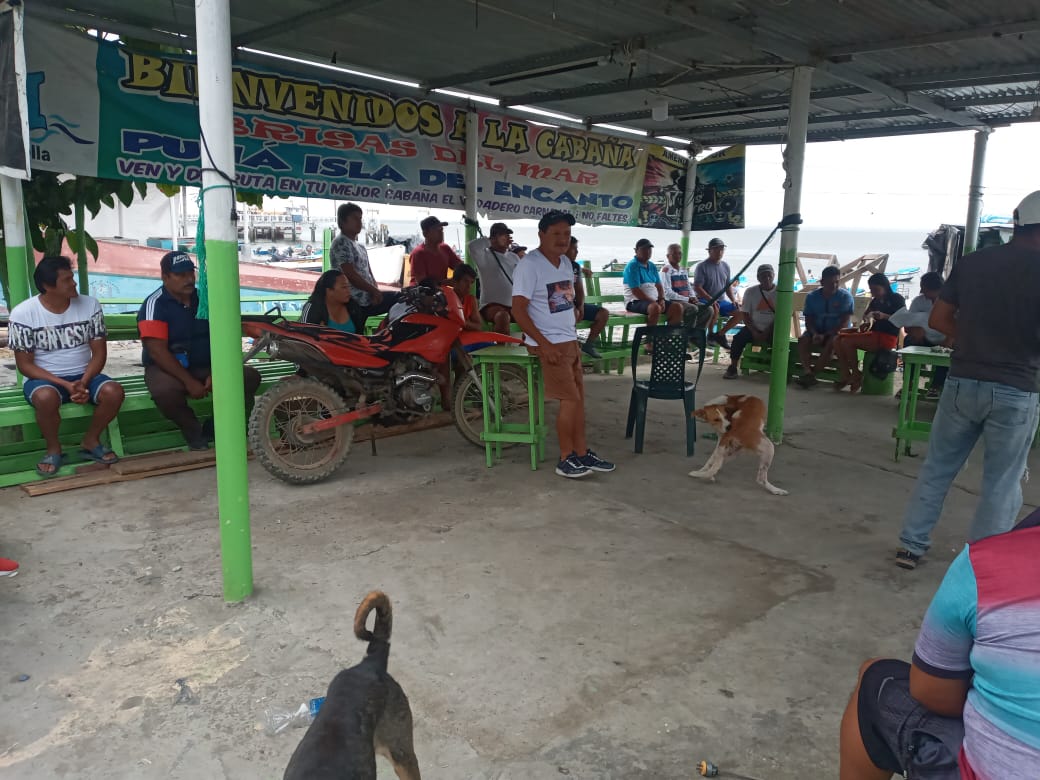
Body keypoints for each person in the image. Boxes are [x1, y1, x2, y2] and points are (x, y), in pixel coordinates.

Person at [894, 191, 1040, 570]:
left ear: (1016, 222)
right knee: (1001, 483)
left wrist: (970, 340)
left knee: (938, 468)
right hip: (1017, 387)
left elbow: (938, 320)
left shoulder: (973, 263)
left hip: (962, 382)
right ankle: (979, 567)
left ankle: (910, 546)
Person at [841, 508, 1040, 779]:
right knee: (1000, 487)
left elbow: (931, 691)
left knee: (877, 679)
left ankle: (911, 545)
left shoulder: (986, 566)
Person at [512, 210, 615, 479]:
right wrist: (543, 344)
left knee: (578, 400)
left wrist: (575, 314)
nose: (562, 239)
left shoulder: (567, 263)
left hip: (569, 340)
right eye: (556, 233)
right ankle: (565, 458)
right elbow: (518, 310)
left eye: (567, 234)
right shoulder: (529, 265)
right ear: (541, 234)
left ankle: (581, 452)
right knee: (569, 400)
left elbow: (564, 300)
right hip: (549, 344)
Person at [8, 255, 125, 476]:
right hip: (44, 380)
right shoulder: (23, 313)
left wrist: (83, 382)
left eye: (72, 277)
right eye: (67, 280)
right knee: (45, 398)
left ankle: (91, 440)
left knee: (114, 392)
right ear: (47, 286)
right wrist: (65, 384)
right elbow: (25, 366)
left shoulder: (90, 305)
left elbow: (99, 353)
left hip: (84, 375)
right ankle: (54, 449)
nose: (74, 283)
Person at [138, 252, 262, 450]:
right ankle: (193, 432)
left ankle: (215, 428)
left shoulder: (207, 299)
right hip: (168, 367)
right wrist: (189, 382)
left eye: (190, 273)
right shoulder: (154, 305)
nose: (188, 279)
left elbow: (225, 334)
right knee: (165, 392)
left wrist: (218, 371)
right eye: (180, 275)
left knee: (248, 377)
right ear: (165, 277)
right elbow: (157, 352)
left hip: (207, 364)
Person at [329, 202, 400, 327]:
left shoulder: (360, 246)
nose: (359, 222)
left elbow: (368, 272)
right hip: (351, 301)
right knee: (355, 333)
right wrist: (374, 291)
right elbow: (350, 274)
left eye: (360, 218)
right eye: (355, 218)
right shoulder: (341, 243)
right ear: (342, 222)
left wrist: (375, 290)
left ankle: (388, 330)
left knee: (400, 298)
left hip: (367, 298)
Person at [834, 272, 905, 393]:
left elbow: (902, 319)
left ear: (885, 286)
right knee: (837, 339)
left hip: (887, 337)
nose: (873, 293)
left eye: (876, 290)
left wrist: (884, 316)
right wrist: (867, 320)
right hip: (874, 334)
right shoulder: (875, 301)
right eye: (871, 290)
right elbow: (866, 315)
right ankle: (846, 374)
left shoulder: (897, 299)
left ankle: (855, 374)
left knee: (846, 341)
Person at [796, 265, 854, 388]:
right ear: (822, 282)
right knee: (802, 340)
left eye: (837, 282)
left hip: (838, 333)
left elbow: (844, 322)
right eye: (830, 283)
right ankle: (807, 371)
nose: (834, 285)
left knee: (832, 343)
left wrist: (826, 335)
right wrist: (815, 333)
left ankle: (812, 375)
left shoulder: (845, 297)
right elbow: (808, 320)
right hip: (816, 331)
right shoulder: (812, 297)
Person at [899, 271, 951, 398]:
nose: (921, 290)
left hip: (945, 339)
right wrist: (915, 330)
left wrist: (949, 339)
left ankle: (936, 386)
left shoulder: (951, 302)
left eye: (924, 288)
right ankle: (908, 383)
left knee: (950, 351)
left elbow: (960, 324)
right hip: (924, 339)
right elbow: (907, 325)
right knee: (908, 341)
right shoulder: (918, 302)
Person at [724, 264, 777, 379]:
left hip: (774, 328)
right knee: (738, 339)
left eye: (769, 275)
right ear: (758, 278)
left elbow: (781, 316)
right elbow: (745, 314)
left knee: (780, 344)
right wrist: (754, 331)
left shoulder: (780, 292)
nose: (767, 278)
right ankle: (733, 367)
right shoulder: (751, 291)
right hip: (753, 327)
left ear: (774, 276)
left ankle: (778, 369)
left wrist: (767, 331)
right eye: (763, 276)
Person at [468, 221, 518, 334]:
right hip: (491, 306)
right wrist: (490, 241)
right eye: (503, 235)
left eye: (508, 235)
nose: (507, 238)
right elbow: (472, 247)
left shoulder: (514, 257)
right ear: (494, 238)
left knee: (537, 315)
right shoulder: (484, 256)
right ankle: (500, 345)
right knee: (502, 316)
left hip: (514, 305)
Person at [565, 236, 610, 359]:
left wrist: (580, 306)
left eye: (577, 249)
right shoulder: (554, 265)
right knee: (573, 314)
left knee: (603, 313)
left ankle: (589, 344)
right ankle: (571, 345)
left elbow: (579, 290)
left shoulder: (575, 267)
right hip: (560, 305)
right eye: (573, 249)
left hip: (573, 302)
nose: (577, 252)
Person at [623, 239, 684, 329]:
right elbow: (636, 291)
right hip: (634, 302)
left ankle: (668, 336)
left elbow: (659, 286)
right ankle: (650, 336)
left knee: (677, 307)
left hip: (653, 301)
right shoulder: (632, 266)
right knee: (655, 308)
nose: (647, 251)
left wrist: (661, 299)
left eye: (649, 249)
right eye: (644, 249)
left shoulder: (652, 266)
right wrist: (654, 302)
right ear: (636, 250)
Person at [694, 237, 739, 348]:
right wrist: (711, 299)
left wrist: (733, 300)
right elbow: (697, 287)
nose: (719, 252)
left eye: (721, 249)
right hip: (704, 300)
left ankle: (720, 334)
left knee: (742, 312)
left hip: (721, 301)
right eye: (716, 249)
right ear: (709, 251)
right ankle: (710, 334)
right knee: (714, 308)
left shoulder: (725, 266)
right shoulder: (702, 266)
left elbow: (727, 286)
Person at [660, 243, 715, 332]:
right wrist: (687, 299)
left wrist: (693, 296)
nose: (677, 256)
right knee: (692, 309)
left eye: (679, 253)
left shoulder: (683, 269)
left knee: (708, 309)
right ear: (668, 256)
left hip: (686, 300)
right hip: (674, 301)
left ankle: (697, 334)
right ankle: (686, 335)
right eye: (674, 254)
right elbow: (667, 293)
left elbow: (688, 286)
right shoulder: (666, 270)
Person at [408, 216, 462, 285]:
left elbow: (460, 267)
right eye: (437, 229)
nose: (441, 232)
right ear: (425, 233)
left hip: (440, 290)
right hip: (421, 291)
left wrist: (460, 275)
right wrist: (447, 282)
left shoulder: (445, 248)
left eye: (441, 229)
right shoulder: (418, 253)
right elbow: (422, 283)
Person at [444, 264, 483, 331]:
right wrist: (467, 324)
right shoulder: (444, 297)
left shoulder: (471, 300)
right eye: (465, 281)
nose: (469, 286)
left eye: (471, 282)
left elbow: (479, 326)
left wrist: (461, 321)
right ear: (455, 282)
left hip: (464, 336)